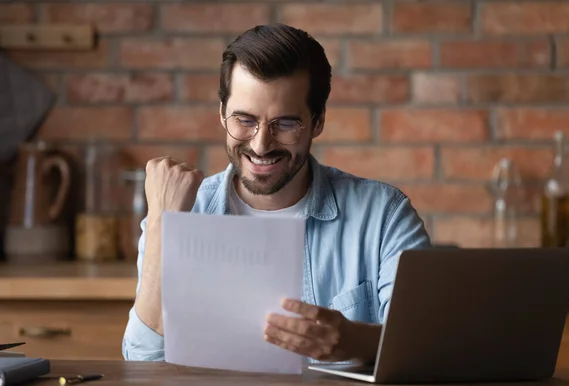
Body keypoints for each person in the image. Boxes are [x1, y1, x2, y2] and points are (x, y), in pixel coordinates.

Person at [122, 23, 431, 364]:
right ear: (222, 113)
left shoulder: (383, 216)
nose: (260, 144)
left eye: (284, 124)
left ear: (317, 122)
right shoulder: (179, 212)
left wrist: (353, 341)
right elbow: (141, 362)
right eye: (244, 120)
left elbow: (428, 348)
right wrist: (161, 225)